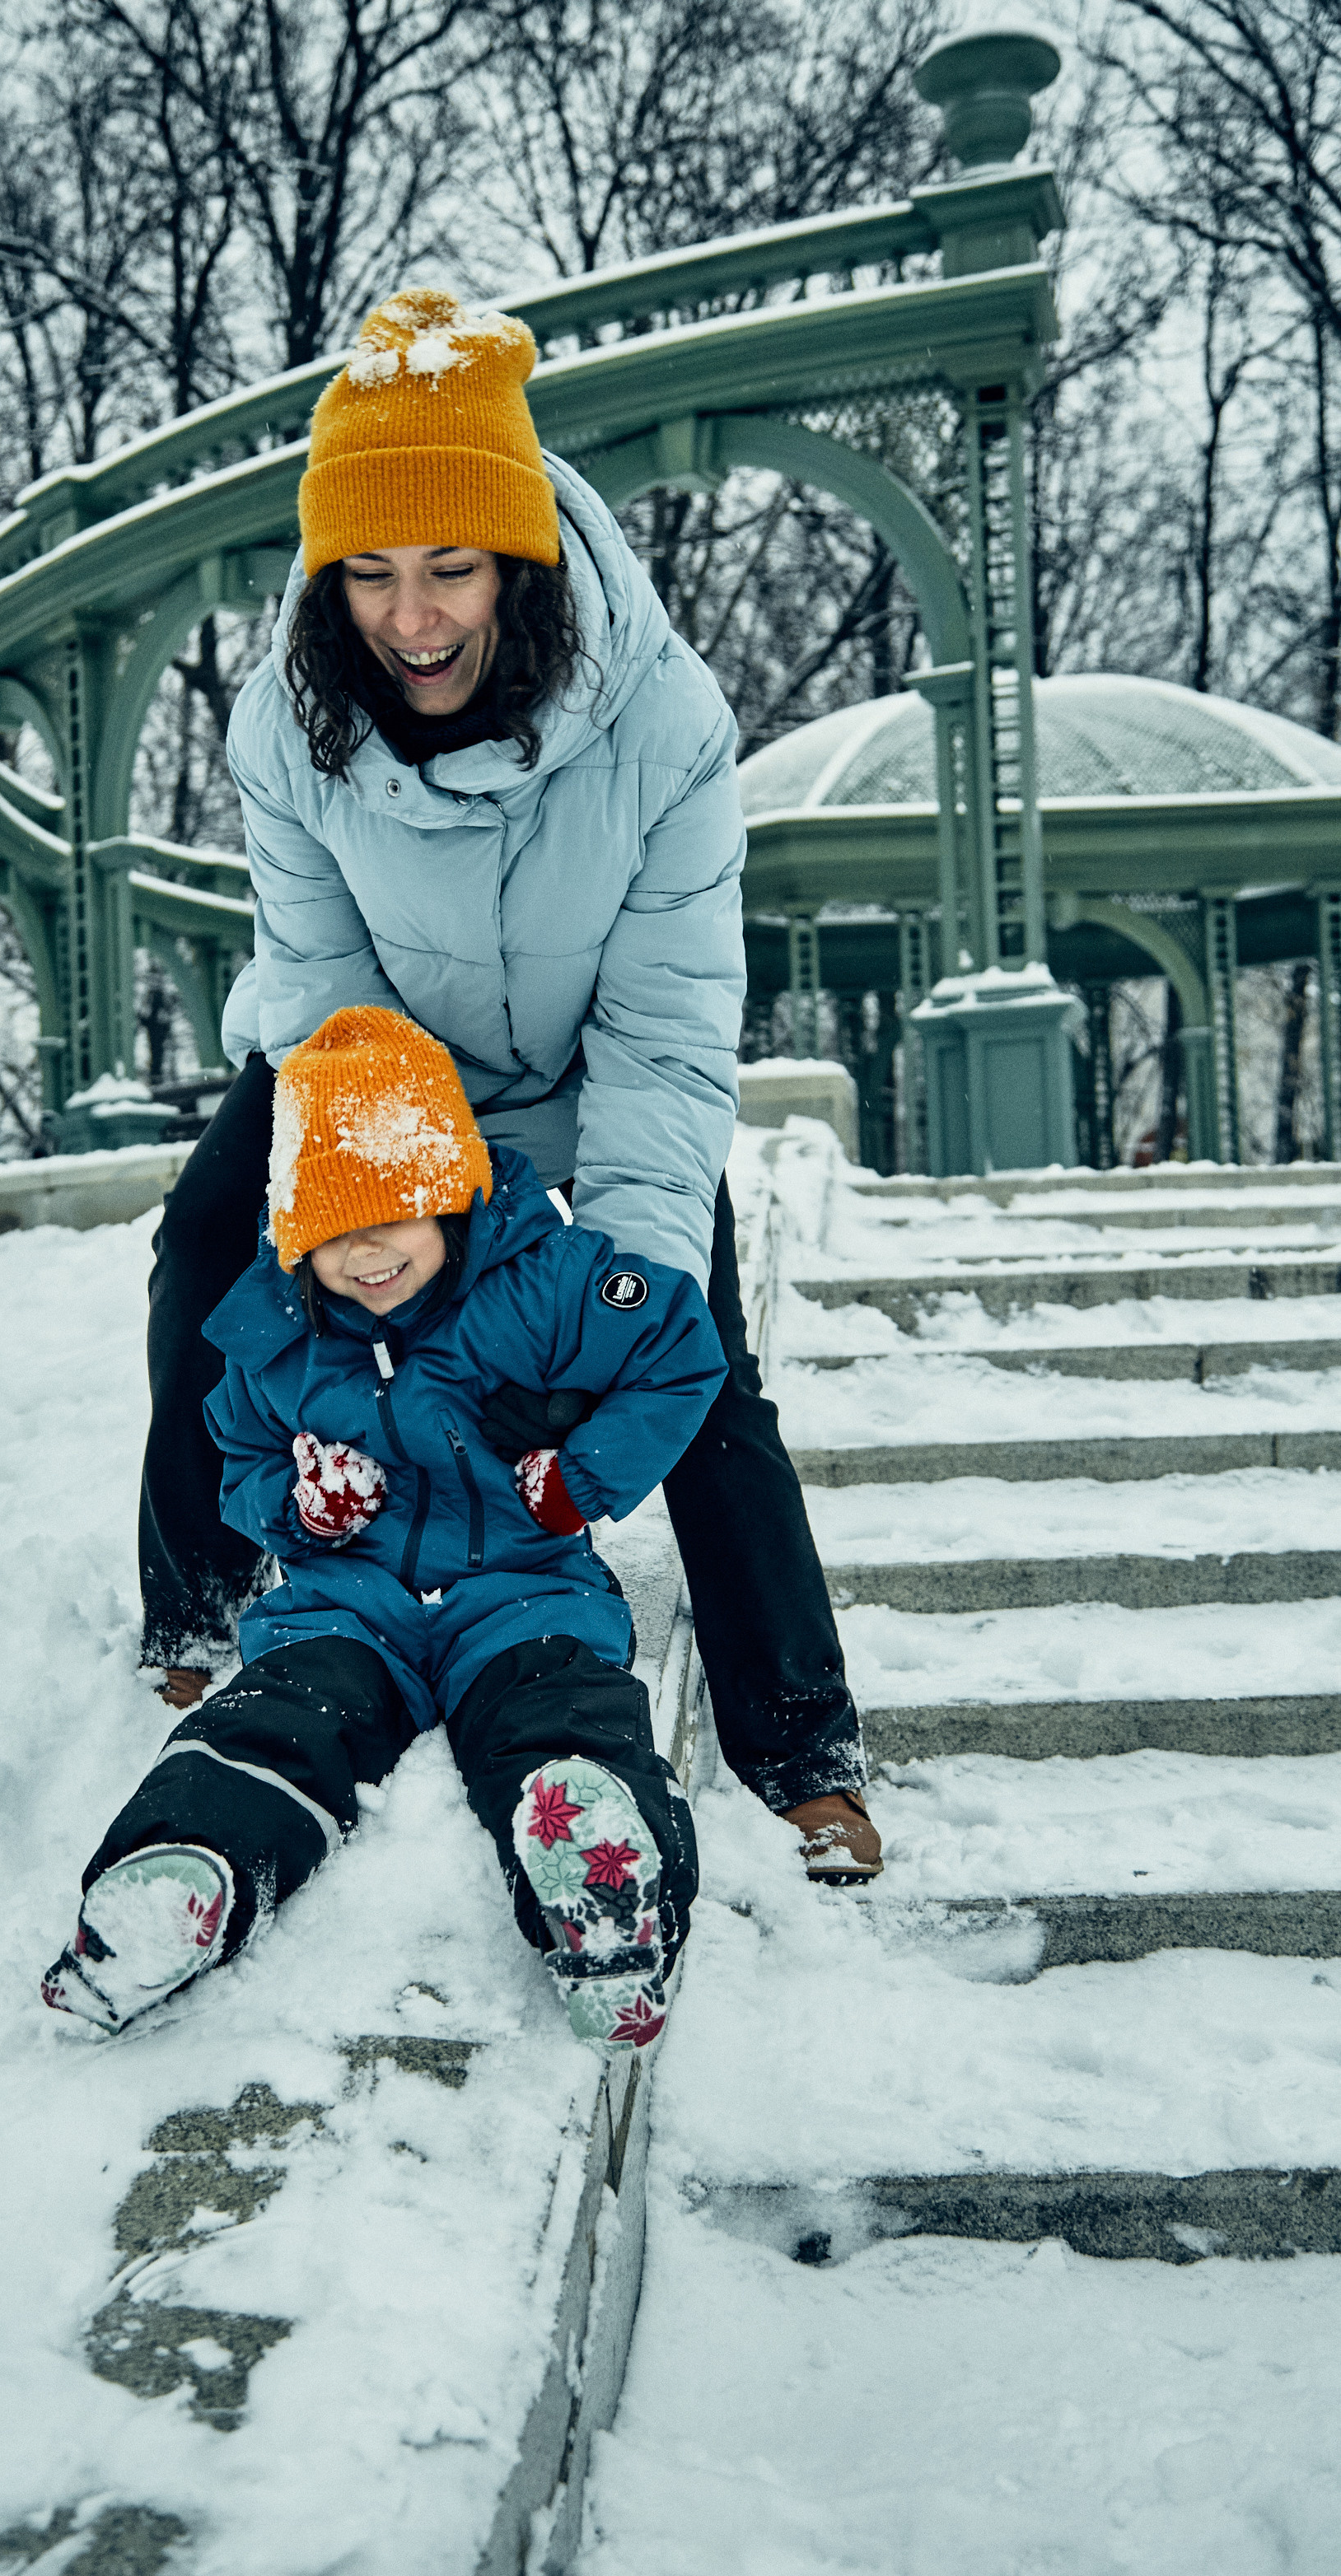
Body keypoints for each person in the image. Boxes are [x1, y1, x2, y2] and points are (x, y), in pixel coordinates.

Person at [137, 285, 881, 1884]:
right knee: (205, 1249)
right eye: (371, 573)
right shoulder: (289, 720)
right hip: (370, 1063)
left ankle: (798, 1738)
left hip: (581, 1067)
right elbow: (319, 981)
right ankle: (196, 1607)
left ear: (521, 560)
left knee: (695, 1349)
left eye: (451, 568)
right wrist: (389, 1211)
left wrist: (608, 1279)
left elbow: (671, 1023)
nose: (410, 619)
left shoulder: (662, 719)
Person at [47, 1006, 724, 2040]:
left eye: (393, 1218)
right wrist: (298, 1505)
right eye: (331, 1236)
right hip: (345, 1603)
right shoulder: (274, 1337)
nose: (367, 1256)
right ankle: (178, 1870)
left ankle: (599, 1868)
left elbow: (680, 1349)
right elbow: (240, 1462)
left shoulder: (543, 1284)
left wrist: (576, 1478)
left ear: (448, 1195)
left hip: (522, 1586)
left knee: (558, 1703)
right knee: (281, 1714)